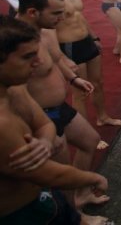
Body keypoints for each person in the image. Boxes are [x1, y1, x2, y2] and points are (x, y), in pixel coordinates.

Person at [0, 16, 108, 225]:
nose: (38, 62)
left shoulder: (13, 91)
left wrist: (45, 141)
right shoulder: (2, 122)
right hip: (21, 213)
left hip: (44, 198)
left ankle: (77, 206)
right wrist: (94, 179)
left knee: (89, 140)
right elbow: (46, 175)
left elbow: (44, 124)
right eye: (27, 57)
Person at [48, 0, 121, 132]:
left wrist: (94, 37)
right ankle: (86, 131)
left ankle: (102, 117)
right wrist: (62, 58)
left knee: (98, 83)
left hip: (86, 41)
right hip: (70, 46)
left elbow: (79, 16)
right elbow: (48, 31)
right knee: (80, 93)